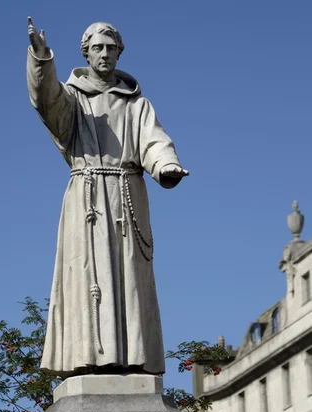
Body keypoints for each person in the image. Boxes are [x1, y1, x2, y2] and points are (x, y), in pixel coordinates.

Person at [27, 18, 189, 378]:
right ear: (85, 52)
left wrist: (166, 166)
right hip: (85, 198)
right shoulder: (72, 100)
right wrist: (41, 60)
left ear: (119, 52)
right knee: (88, 276)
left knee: (129, 277)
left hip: (128, 196)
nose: (104, 54)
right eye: (97, 47)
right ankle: (87, 357)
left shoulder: (137, 104)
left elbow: (154, 140)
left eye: (110, 47)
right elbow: (46, 100)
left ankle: (133, 358)